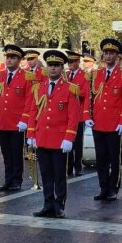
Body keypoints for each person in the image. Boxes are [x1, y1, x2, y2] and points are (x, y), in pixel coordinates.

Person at [26, 50, 81, 218]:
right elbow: (32, 112)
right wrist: (31, 135)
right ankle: (47, 204)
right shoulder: (38, 88)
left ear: (62, 68)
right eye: (50, 65)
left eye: (56, 65)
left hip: (59, 139)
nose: (53, 68)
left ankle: (59, 205)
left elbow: (73, 116)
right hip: (42, 138)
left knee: (59, 175)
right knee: (46, 174)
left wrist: (69, 138)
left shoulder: (70, 89)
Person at [86, 38, 122, 201]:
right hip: (98, 122)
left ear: (117, 55)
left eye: (112, 53)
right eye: (106, 53)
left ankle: (113, 188)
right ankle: (103, 187)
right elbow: (89, 98)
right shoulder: (95, 75)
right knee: (101, 159)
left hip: (114, 124)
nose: (108, 56)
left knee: (114, 158)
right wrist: (87, 116)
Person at [0, 44, 33, 192]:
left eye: (13, 57)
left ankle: (16, 180)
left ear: (19, 60)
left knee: (16, 153)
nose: (9, 60)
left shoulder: (26, 76)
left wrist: (24, 119)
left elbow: (29, 100)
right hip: (3, 121)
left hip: (17, 122)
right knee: (6, 154)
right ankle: (8, 180)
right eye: (8, 57)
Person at [65, 50, 91, 177]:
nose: (69, 64)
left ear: (77, 62)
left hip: (79, 114)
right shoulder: (65, 74)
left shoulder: (84, 76)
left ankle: (78, 166)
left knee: (77, 143)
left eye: (72, 62)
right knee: (66, 140)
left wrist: (72, 90)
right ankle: (68, 166)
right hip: (65, 114)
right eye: (68, 62)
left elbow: (85, 93)